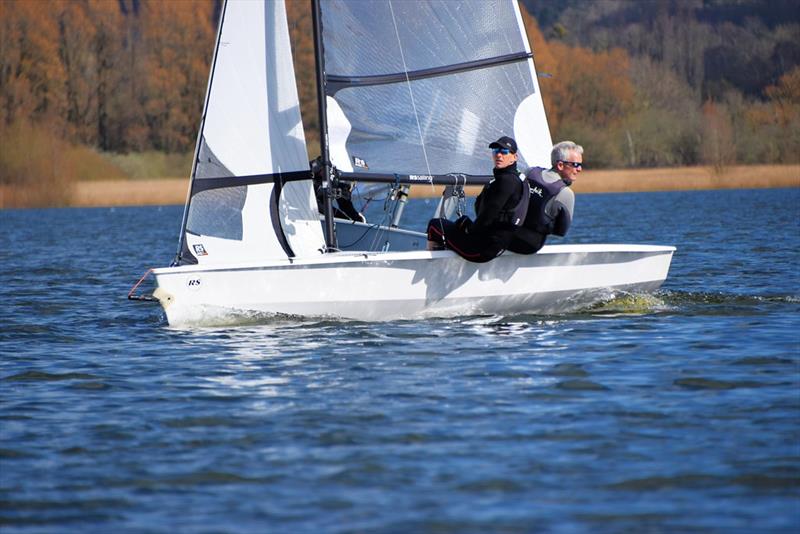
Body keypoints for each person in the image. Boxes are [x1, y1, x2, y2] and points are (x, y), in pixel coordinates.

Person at [426, 136, 527, 263]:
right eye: (496, 151)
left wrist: (468, 229)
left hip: (481, 250)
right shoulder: (518, 179)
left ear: (514, 157)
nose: (499, 155)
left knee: (434, 225)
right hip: (498, 245)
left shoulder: (505, 182)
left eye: (504, 152)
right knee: (459, 225)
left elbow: (488, 216)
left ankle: (431, 267)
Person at [507, 140, 581, 254]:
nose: (579, 169)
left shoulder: (530, 172)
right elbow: (561, 231)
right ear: (560, 165)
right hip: (528, 245)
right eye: (576, 165)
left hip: (504, 235)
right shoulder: (566, 193)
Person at [310, 156, 365, 222]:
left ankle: (355, 220)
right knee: (320, 205)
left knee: (344, 206)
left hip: (338, 183)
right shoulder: (318, 166)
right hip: (321, 189)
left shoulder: (343, 184)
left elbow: (346, 204)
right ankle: (349, 220)